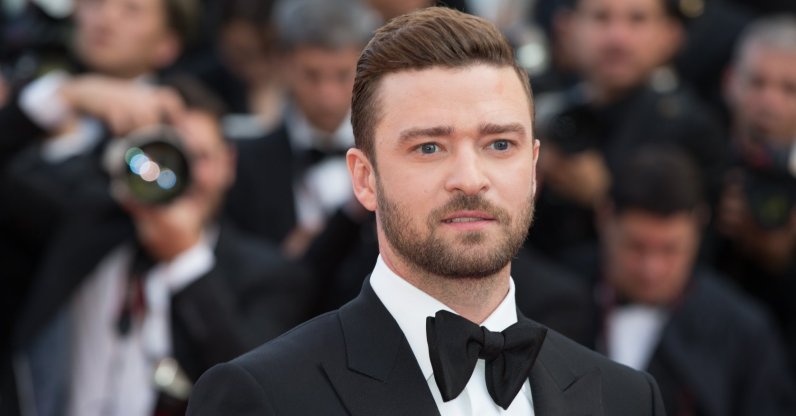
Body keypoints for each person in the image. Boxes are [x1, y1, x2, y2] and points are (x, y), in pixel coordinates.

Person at [187, 8, 665, 415]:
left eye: (500, 144)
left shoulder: (626, 399)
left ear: (534, 168)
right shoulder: (265, 396)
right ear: (364, 179)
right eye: (429, 147)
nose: (470, 178)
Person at [2, 78, 314, 416]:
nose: (182, 175)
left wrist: (187, 263)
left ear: (229, 164)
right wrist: (66, 95)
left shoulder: (270, 276)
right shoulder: (75, 224)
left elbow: (256, 392)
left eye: (200, 157)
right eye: (164, 156)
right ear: (128, 160)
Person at [566, 148, 796, 415]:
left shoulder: (742, 333)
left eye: (670, 249)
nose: (651, 270)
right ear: (605, 218)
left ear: (699, 226)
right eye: (635, 247)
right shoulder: (557, 299)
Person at [527, 0, 727, 260]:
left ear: (670, 35)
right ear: (566, 28)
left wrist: (602, 196)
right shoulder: (534, 101)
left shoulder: (692, 128)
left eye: (637, 19)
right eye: (601, 17)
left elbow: (702, 246)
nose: (617, 38)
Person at [224, 0, 379, 258]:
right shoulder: (247, 162)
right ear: (283, 64)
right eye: (311, 75)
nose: (327, 94)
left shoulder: (386, 153)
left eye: (342, 75)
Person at [716, 15, 796, 375]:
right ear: (730, 82)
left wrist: (784, 261)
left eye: (790, 89)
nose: (769, 102)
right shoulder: (699, 164)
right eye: (757, 82)